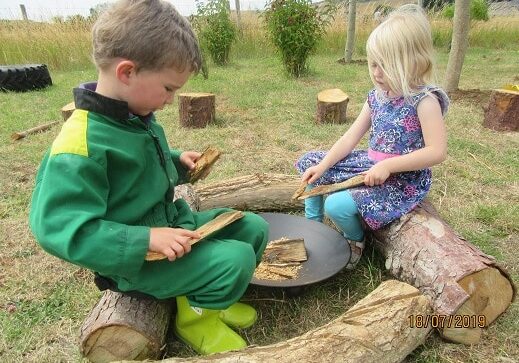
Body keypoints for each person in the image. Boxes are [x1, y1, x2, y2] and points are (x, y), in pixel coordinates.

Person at [29, 0, 268, 356]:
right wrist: (143, 240)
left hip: (171, 223)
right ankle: (196, 319)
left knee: (252, 228)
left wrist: (178, 162)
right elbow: (56, 227)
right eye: (168, 88)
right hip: (137, 262)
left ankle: (212, 298)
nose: (171, 100)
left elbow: (138, 166)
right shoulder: (79, 144)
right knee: (235, 260)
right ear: (127, 72)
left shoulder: (131, 113)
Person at [295, 4, 449, 269]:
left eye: (385, 65)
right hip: (369, 165)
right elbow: (349, 138)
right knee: (312, 166)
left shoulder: (424, 101)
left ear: (413, 61)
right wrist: (323, 166)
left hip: (401, 179)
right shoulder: (377, 97)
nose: (376, 72)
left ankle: (355, 240)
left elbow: (437, 151)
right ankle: (312, 229)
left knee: (337, 205)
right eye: (374, 63)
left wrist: (388, 166)